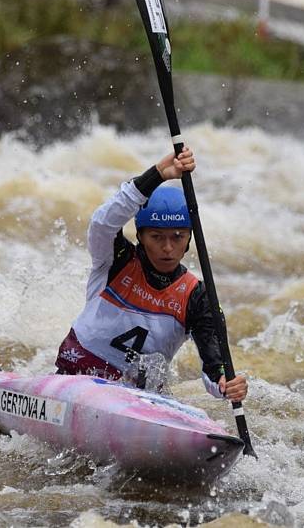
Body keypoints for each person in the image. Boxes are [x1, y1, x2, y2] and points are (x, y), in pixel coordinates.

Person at [54, 147, 248, 403]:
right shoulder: (116, 259)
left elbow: (214, 364)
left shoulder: (198, 297)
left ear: (189, 239)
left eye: (177, 237)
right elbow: (103, 223)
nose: (167, 248)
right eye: (156, 237)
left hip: (137, 402)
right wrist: (156, 175)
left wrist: (225, 384)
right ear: (141, 236)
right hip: (74, 380)